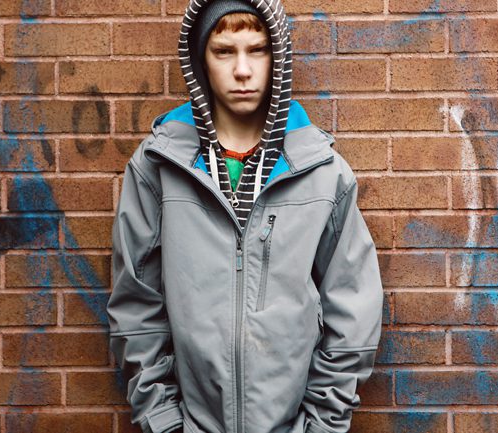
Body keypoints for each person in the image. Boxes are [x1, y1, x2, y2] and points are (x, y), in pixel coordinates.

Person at [106, 1, 383, 432]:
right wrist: (163, 421)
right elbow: (135, 306)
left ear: (278, 59)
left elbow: (353, 308)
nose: (242, 70)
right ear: (200, 60)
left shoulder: (322, 173)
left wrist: (322, 423)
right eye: (224, 51)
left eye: (257, 50)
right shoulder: (158, 167)